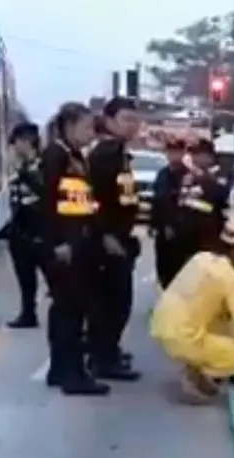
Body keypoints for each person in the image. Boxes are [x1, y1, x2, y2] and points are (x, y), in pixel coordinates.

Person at [150, 219, 234, 403]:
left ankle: (197, 365)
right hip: (186, 338)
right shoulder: (233, 280)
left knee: (222, 322)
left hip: (161, 325)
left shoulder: (201, 258)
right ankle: (199, 372)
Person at [41, 102, 109, 396]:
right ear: (69, 126)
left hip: (79, 241)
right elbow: (47, 202)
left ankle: (59, 369)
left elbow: (83, 199)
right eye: (85, 127)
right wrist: (58, 242)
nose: (91, 134)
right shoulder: (55, 155)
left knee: (68, 309)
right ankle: (73, 375)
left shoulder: (76, 156)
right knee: (70, 311)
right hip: (65, 245)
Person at [86, 96, 142, 381]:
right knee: (113, 303)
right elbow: (92, 199)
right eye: (126, 119)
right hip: (106, 242)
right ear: (108, 122)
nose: (133, 125)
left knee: (116, 301)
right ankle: (102, 358)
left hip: (121, 237)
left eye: (135, 119)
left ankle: (107, 350)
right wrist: (105, 233)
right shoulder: (104, 155)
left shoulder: (120, 154)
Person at [4, 122, 45, 328]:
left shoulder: (43, 164)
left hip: (40, 228)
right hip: (20, 228)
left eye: (16, 143)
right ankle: (28, 313)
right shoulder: (17, 165)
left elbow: (45, 192)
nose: (14, 148)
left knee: (55, 277)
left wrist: (26, 172)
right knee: (25, 276)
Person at [170, 138, 230, 272]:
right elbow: (181, 201)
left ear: (209, 156)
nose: (195, 158)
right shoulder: (187, 176)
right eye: (193, 154)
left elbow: (220, 195)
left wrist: (203, 179)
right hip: (186, 238)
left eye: (199, 154)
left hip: (209, 238)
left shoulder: (220, 174)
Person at [150, 139, 189, 288]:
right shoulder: (162, 174)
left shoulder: (188, 176)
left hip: (181, 233)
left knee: (178, 272)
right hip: (162, 231)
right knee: (163, 270)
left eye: (177, 151)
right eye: (171, 151)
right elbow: (157, 200)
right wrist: (154, 224)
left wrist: (175, 225)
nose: (174, 155)